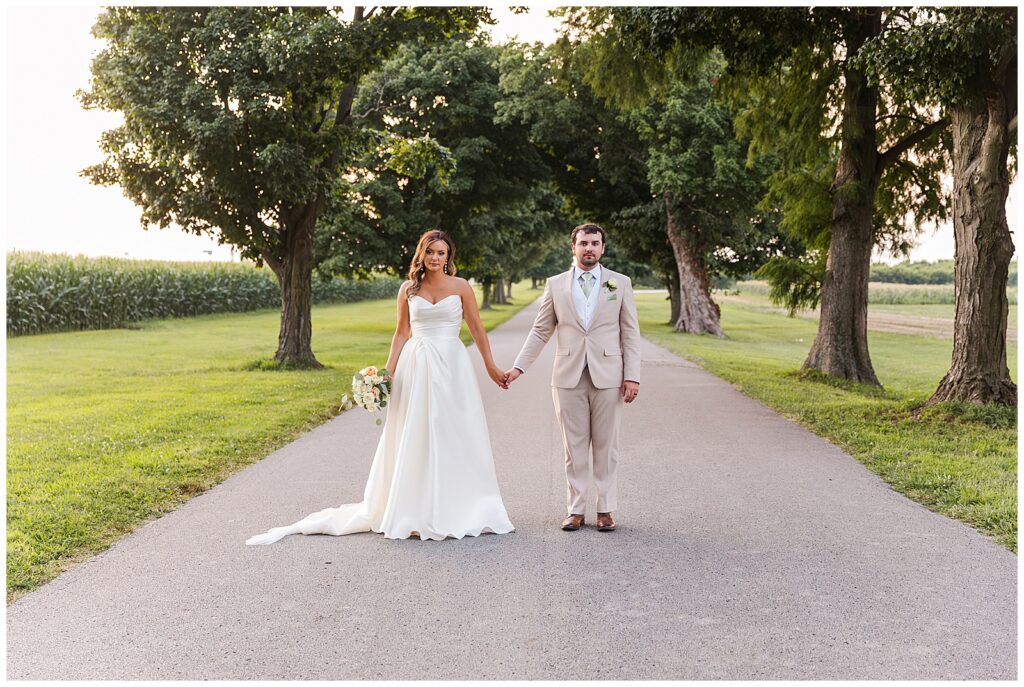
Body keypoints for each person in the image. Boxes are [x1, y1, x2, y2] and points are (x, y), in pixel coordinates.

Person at [246, 230, 515, 544]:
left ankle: (459, 504)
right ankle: (413, 505)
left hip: (452, 365)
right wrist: (386, 374)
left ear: (448, 256)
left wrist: (491, 367)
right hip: (415, 366)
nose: (435, 258)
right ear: (422, 254)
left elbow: (477, 329)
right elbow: (401, 333)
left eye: (441, 253)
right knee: (414, 432)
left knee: (453, 430)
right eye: (430, 252)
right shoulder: (408, 289)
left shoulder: (461, 287)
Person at [505, 223, 640, 532]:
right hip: (567, 375)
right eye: (583, 243)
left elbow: (630, 333)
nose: (589, 248)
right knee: (573, 447)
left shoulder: (620, 283)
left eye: (594, 243)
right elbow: (541, 331)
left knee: (607, 447)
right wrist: (518, 368)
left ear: (603, 248)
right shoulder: (555, 285)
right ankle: (575, 509)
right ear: (574, 248)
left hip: (609, 375)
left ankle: (605, 509)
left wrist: (632, 376)